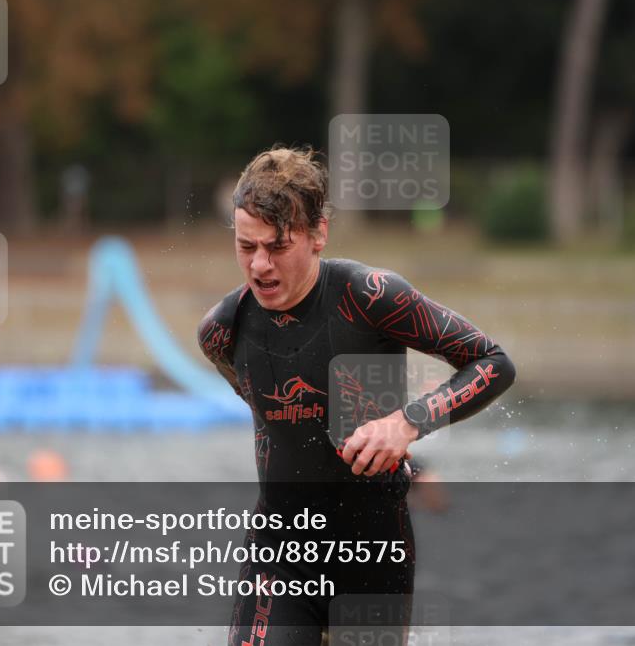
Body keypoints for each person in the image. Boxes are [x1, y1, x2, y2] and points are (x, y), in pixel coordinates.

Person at [198, 146, 515, 646]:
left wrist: (407, 423)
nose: (259, 265)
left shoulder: (370, 296)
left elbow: (492, 363)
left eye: (277, 246)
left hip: (371, 555)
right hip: (279, 555)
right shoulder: (223, 331)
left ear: (318, 233)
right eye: (246, 246)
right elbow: (276, 416)